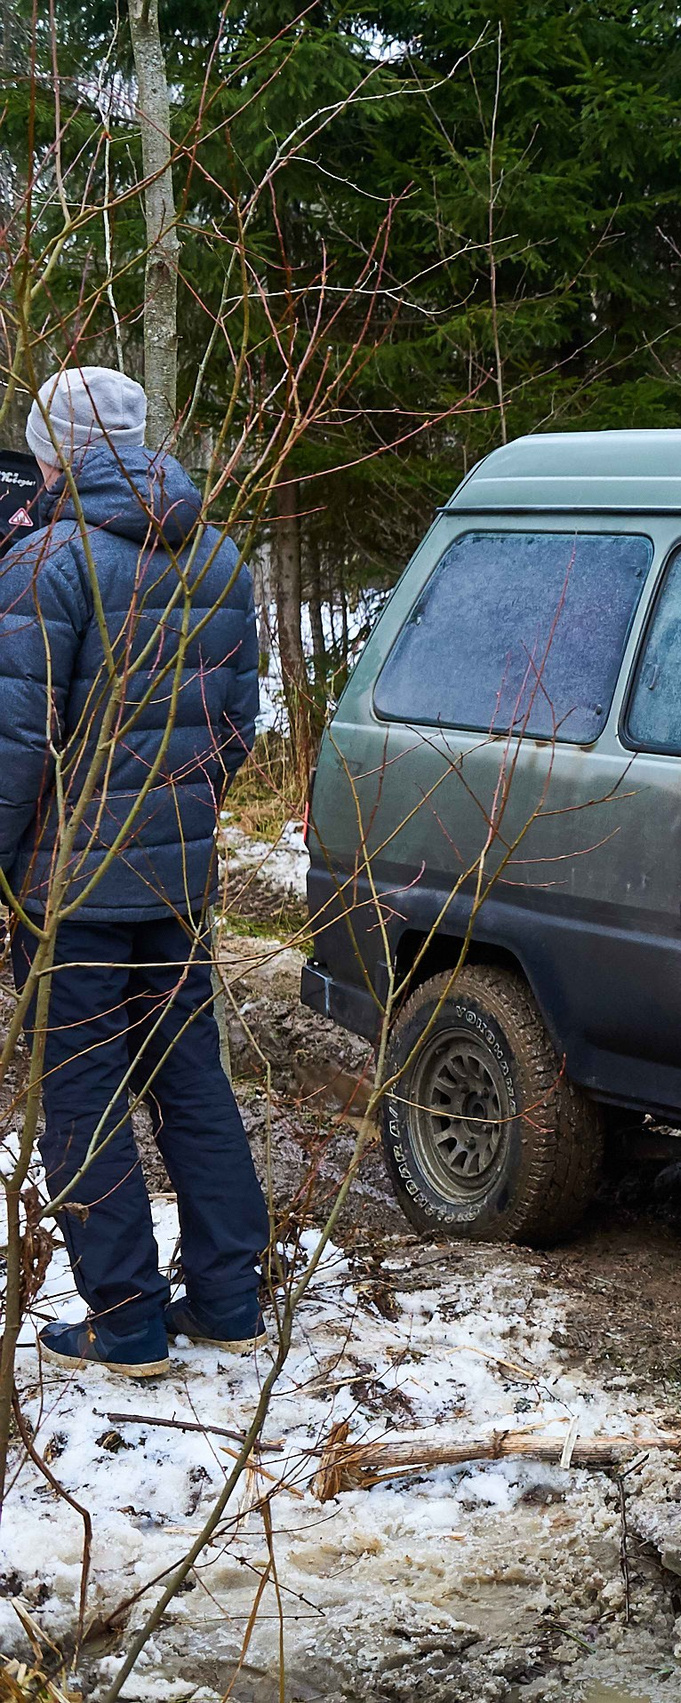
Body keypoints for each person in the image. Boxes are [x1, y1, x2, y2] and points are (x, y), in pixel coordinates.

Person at [0, 366, 265, 1379]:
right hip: (176, 880)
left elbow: (15, 747)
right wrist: (182, 819)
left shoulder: (46, 562)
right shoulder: (221, 555)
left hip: (72, 883)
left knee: (83, 1097)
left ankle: (127, 1319)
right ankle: (231, 1299)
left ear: (55, 450)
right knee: (189, 1076)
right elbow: (233, 729)